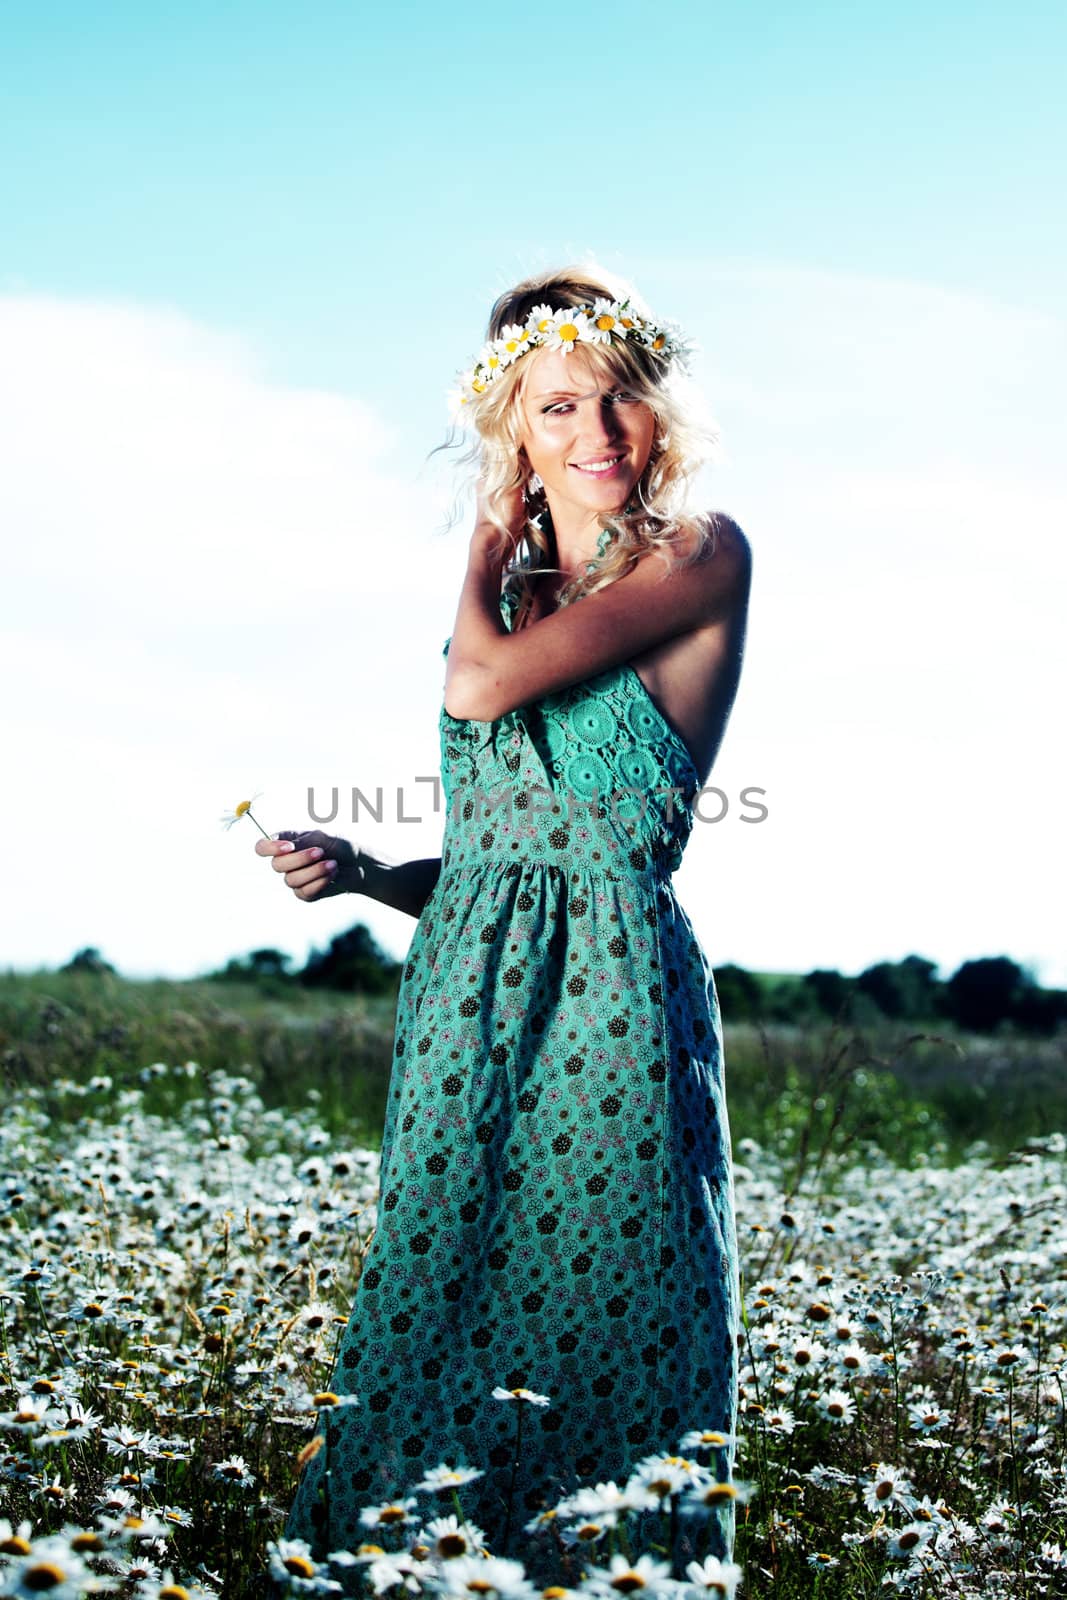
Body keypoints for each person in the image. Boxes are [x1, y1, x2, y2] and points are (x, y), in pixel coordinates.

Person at [256, 266, 752, 1577]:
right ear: (515, 430)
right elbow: (501, 856)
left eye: (620, 400)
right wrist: (370, 872)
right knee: (431, 1308)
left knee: (601, 1310)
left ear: (662, 413)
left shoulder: (698, 553)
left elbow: (480, 691)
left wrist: (483, 534)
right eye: (555, 409)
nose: (595, 435)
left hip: (607, 1005)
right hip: (460, 996)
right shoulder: (518, 589)